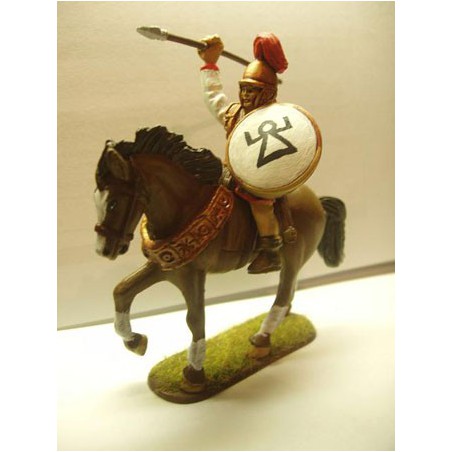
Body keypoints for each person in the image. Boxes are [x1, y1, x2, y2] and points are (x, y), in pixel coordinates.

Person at [198, 32, 289, 274]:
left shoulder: (277, 119)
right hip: (230, 172)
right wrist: (209, 65)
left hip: (261, 178)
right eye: (244, 89)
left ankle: (271, 252)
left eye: (253, 90)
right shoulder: (234, 114)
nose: (246, 95)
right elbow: (214, 98)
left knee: (260, 207)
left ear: (267, 92)